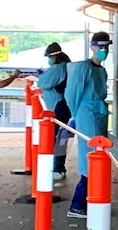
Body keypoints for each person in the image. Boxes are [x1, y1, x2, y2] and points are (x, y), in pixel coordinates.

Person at [65, 32, 111, 218]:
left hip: (98, 114)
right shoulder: (82, 68)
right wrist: (77, 115)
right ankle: (78, 203)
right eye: (100, 47)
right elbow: (72, 94)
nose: (103, 50)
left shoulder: (102, 70)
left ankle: (91, 200)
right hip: (86, 114)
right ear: (92, 46)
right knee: (89, 160)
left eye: (106, 47)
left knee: (99, 158)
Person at [35, 42, 72, 180]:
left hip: (57, 107)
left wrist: (42, 76)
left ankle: (56, 168)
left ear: (53, 57)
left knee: (54, 139)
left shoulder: (57, 69)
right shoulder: (66, 66)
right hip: (64, 106)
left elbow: (43, 83)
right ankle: (59, 167)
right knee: (62, 139)